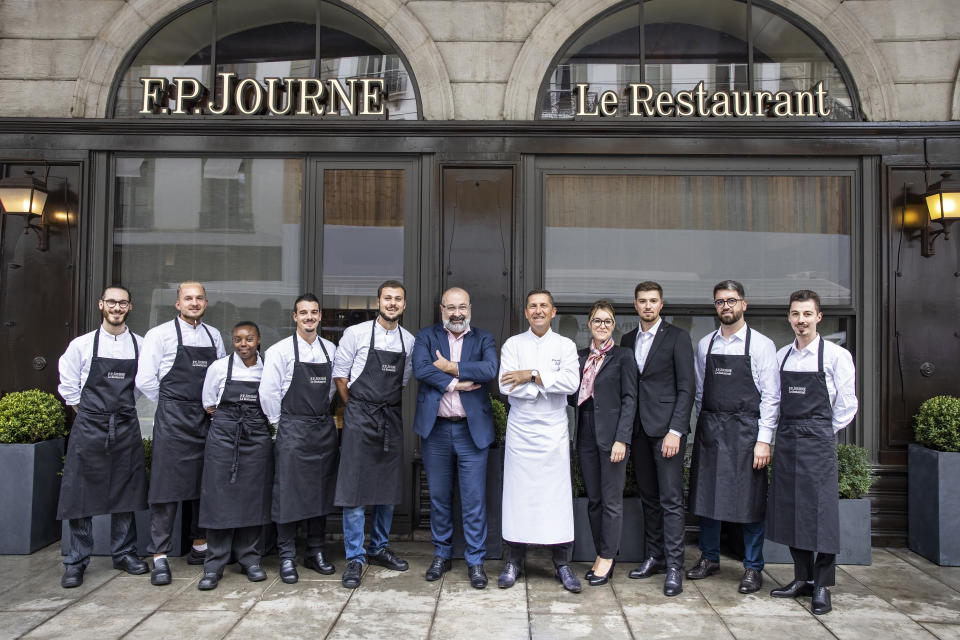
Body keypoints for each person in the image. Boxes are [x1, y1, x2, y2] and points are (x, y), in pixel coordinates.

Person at [767, 290, 858, 615]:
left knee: (821, 516)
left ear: (818, 317)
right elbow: (774, 401)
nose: (801, 320)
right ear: (789, 317)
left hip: (818, 443)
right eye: (795, 314)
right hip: (788, 441)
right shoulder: (782, 356)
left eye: (807, 314)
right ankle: (800, 578)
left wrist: (820, 430)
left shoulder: (835, 356)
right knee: (792, 511)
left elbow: (847, 406)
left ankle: (821, 585)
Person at [688, 280, 780, 594]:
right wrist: (704, 428)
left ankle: (753, 567)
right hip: (712, 432)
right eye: (720, 302)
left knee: (750, 502)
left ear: (744, 304)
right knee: (707, 498)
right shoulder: (705, 344)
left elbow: (771, 396)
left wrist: (764, 439)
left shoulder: (761, 345)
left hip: (746, 434)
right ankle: (709, 557)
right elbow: (700, 392)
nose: (726, 307)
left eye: (731, 300)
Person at [56, 285, 149, 588]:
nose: (117, 307)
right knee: (80, 494)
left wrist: (118, 411)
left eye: (123, 303)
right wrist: (92, 414)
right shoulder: (81, 345)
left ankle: (124, 553)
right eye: (111, 302)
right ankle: (76, 560)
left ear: (130, 308)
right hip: (89, 425)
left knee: (125, 490)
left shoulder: (141, 344)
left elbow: (142, 385)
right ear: (101, 305)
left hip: (124, 424)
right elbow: (68, 387)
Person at [136, 281, 226, 586]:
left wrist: (209, 404)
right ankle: (159, 555)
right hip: (173, 421)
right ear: (177, 304)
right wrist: (172, 405)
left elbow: (220, 376)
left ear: (205, 302)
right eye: (188, 298)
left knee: (204, 483)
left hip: (205, 419)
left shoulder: (214, 335)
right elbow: (146, 379)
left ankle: (199, 546)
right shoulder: (158, 335)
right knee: (166, 489)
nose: (194, 302)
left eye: (199, 298)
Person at [413, 287, 499, 589]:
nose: (457, 313)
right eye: (451, 308)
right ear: (442, 309)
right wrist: (457, 384)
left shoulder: (484, 338)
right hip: (435, 430)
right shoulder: (426, 336)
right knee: (439, 498)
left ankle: (476, 561)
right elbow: (421, 369)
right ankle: (441, 554)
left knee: (474, 500)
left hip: (470, 431)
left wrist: (450, 368)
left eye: (462, 307)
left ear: (470, 308)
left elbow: (489, 369)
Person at [497, 289, 582, 593]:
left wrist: (531, 375)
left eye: (543, 306)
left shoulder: (566, 345)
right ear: (525, 312)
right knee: (518, 496)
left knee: (555, 499)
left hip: (553, 429)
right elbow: (506, 385)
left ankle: (562, 563)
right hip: (521, 428)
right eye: (532, 306)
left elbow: (572, 383)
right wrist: (547, 380)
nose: (538, 311)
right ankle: (514, 561)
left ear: (553, 311)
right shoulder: (513, 344)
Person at [333, 280, 415, 589]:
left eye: (398, 299)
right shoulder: (355, 334)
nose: (392, 303)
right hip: (358, 416)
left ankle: (378, 547)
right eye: (387, 298)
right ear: (378, 301)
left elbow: (403, 382)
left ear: (404, 305)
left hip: (389, 417)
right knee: (354, 489)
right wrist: (355, 408)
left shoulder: (410, 341)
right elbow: (341, 376)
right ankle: (355, 556)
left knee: (387, 488)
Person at [620, 282, 695, 596]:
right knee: (648, 498)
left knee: (671, 501)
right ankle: (655, 556)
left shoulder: (677, 337)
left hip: (666, 433)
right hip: (636, 431)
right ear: (635, 305)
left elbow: (687, 387)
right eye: (642, 301)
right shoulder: (626, 339)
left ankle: (675, 566)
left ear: (661, 304)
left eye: (653, 301)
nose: (647, 306)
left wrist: (676, 430)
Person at [259, 293, 339, 584]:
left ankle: (315, 551)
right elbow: (268, 394)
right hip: (292, 428)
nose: (309, 317)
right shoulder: (279, 351)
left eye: (314, 312)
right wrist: (280, 425)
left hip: (321, 428)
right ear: (295, 317)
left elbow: (330, 390)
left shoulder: (330, 349)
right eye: (303, 313)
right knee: (288, 494)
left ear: (320, 316)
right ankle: (287, 555)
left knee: (321, 492)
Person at [197, 321, 273, 590]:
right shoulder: (219, 368)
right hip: (223, 438)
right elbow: (209, 404)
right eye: (238, 340)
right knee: (218, 499)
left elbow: (273, 402)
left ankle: (250, 560)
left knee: (253, 499)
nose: (244, 345)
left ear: (259, 340)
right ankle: (214, 565)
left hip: (256, 439)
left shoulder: (268, 368)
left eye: (249, 339)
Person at [569, 300, 637, 586]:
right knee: (594, 499)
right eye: (597, 320)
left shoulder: (623, 356)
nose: (602, 326)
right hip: (585, 432)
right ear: (589, 324)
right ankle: (600, 552)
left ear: (614, 325)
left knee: (611, 501)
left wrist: (622, 438)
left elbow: (629, 399)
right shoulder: (579, 356)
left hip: (612, 438)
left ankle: (607, 558)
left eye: (607, 321)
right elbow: (572, 394)